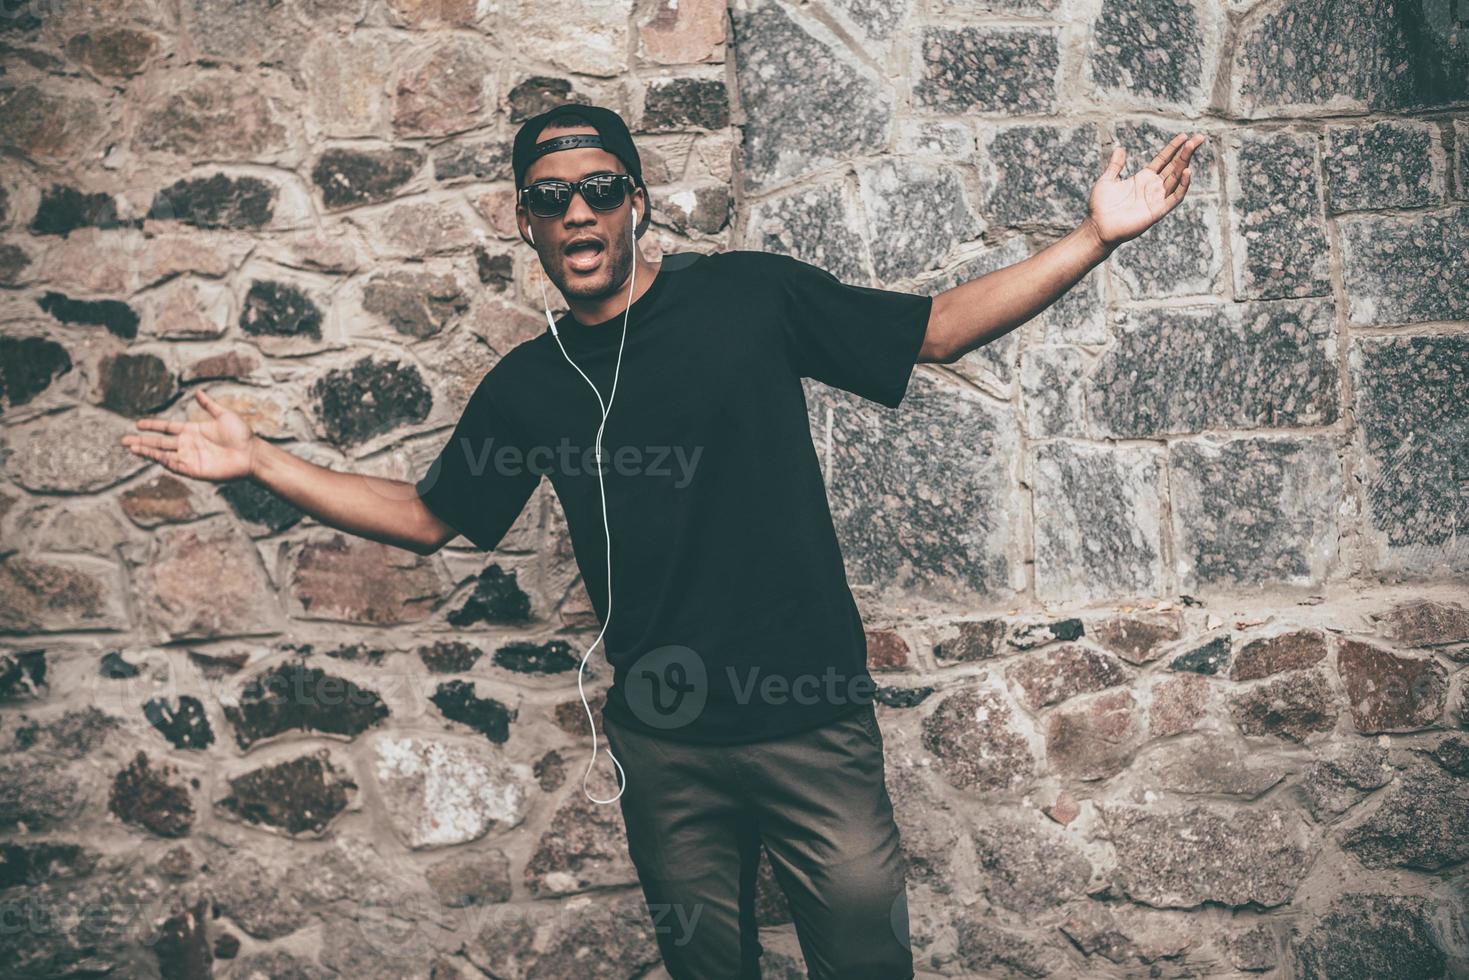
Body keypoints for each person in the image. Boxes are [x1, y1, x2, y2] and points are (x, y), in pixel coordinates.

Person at [121, 103, 1202, 979]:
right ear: (527, 224)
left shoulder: (749, 296)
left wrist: (1094, 237)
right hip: (664, 744)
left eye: (598, 189)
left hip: (808, 722)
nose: (577, 212)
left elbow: (931, 329)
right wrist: (261, 461)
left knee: (867, 965)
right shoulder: (528, 386)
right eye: (550, 199)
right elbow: (425, 517)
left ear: (636, 202)